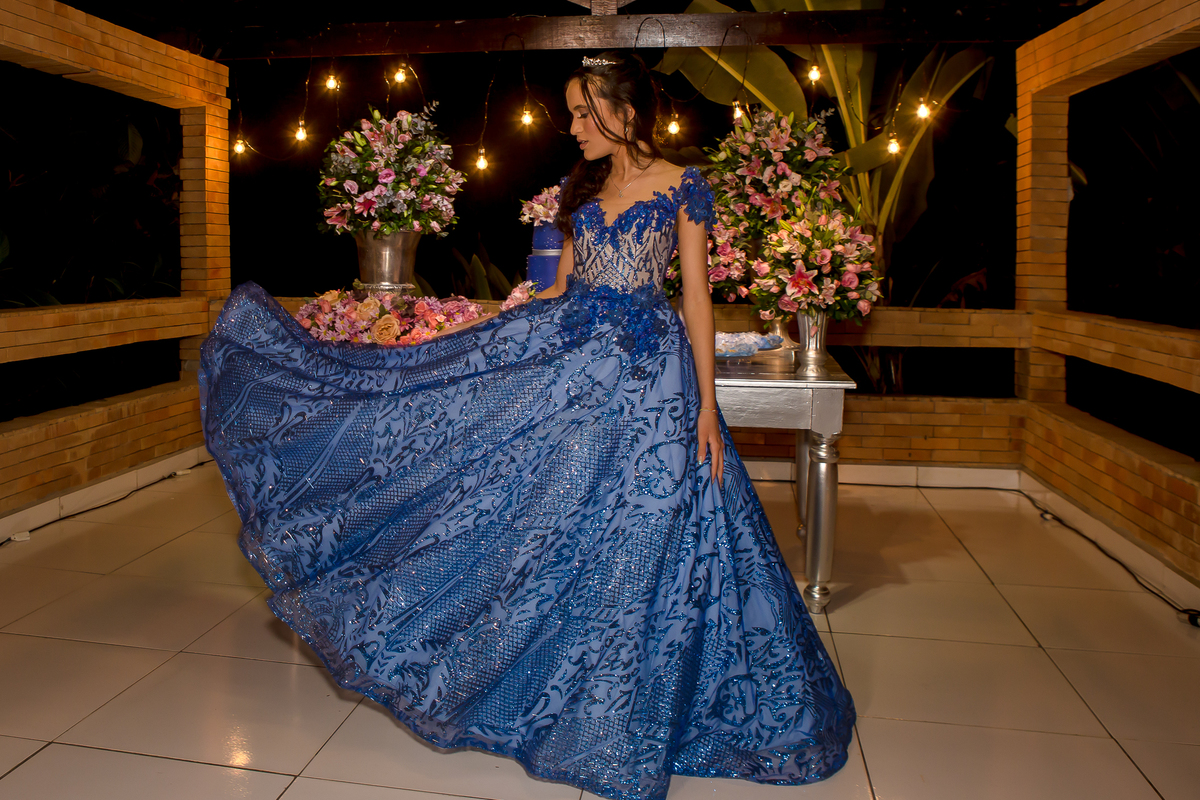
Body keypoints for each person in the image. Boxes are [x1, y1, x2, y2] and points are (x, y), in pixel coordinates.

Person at [200, 51, 854, 800]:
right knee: (564, 518)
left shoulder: (683, 184)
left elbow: (697, 299)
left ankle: (636, 703)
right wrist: (483, 340)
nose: (573, 128)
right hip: (577, 377)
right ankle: (565, 685)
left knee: (653, 528)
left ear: (626, 113)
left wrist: (708, 407)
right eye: (571, 113)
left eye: (584, 113)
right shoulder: (584, 192)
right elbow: (560, 293)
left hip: (654, 384)